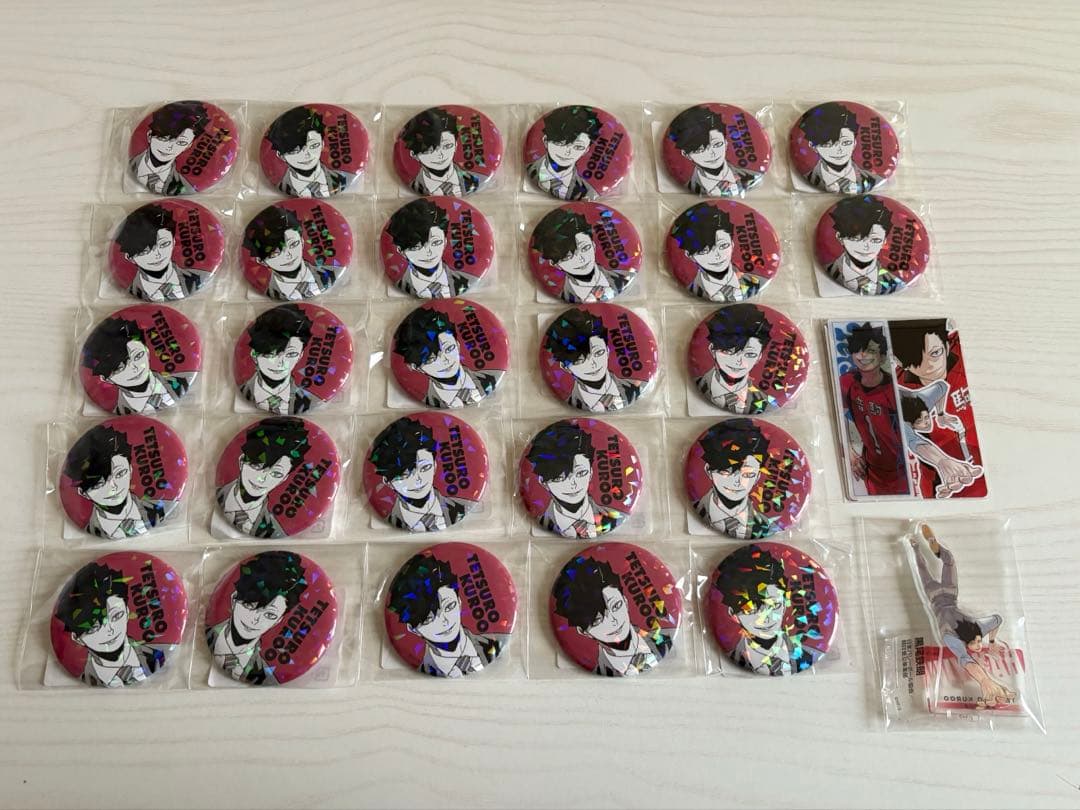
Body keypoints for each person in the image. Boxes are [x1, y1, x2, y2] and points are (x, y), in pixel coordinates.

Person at [909, 524, 1017, 708]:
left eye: (977, 642)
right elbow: (997, 620)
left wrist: (991, 646)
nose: (978, 645)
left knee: (937, 564)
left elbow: (968, 659)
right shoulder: (969, 631)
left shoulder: (954, 637)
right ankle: (922, 546)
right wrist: (985, 679)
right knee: (935, 565)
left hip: (936, 596)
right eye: (977, 642)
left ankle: (921, 546)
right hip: (948, 594)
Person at [891, 319, 984, 498]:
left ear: (946, 346)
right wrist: (941, 461)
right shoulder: (899, 410)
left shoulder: (924, 397)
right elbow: (914, 441)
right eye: (918, 362)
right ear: (903, 363)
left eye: (936, 353)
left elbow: (941, 387)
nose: (931, 367)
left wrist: (941, 415)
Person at [387, 553, 507, 677]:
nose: (445, 621)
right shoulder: (418, 674)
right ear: (413, 629)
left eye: (449, 606)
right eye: (428, 619)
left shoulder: (497, 643)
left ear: (459, 602)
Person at [551, 555, 673, 677]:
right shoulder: (601, 671)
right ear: (584, 632)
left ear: (625, 601)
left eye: (616, 606)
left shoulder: (666, 639)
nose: (613, 620)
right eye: (597, 620)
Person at [54, 561, 169, 687]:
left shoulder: (161, 654)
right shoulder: (76, 682)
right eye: (93, 628)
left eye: (116, 616)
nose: (110, 630)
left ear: (127, 611)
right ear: (76, 637)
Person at [205, 551, 308, 685]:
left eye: (269, 615)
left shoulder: (265, 675)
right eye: (250, 605)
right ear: (234, 599)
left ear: (278, 621)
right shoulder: (208, 635)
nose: (255, 619)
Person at [713, 544, 814, 675]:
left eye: (774, 605)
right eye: (751, 610)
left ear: (784, 604)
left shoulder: (808, 656)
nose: (765, 619)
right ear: (733, 614)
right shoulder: (731, 659)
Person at [369, 417, 475, 531]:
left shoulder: (466, 508)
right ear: (387, 482)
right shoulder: (386, 524)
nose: (417, 480)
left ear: (435, 465)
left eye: (425, 468)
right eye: (404, 475)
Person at [839, 323, 908, 495]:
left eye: (870, 350)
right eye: (857, 350)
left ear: (883, 357)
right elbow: (835, 416)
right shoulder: (847, 383)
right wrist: (850, 452)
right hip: (871, 469)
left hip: (902, 471)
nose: (863, 355)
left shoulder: (895, 390)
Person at [63, 425, 167, 539]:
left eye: (120, 473)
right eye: (99, 484)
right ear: (83, 493)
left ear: (130, 469)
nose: (113, 487)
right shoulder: (85, 532)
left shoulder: (162, 509)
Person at [524, 421, 624, 538]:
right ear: (543, 482)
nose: (573, 484)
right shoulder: (540, 522)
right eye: (559, 478)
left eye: (581, 473)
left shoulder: (615, 517)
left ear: (591, 472)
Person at [215, 418, 310, 539]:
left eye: (276, 474)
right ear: (241, 461)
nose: (262, 479)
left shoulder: (274, 531)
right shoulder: (214, 495)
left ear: (284, 479)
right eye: (257, 466)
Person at [393, 306, 500, 408]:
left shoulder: (493, 378)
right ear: (415, 367)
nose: (445, 360)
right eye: (431, 359)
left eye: (449, 348)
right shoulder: (423, 402)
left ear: (457, 345)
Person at [82, 316, 190, 414]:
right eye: (120, 367)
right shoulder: (120, 412)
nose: (134, 367)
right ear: (105, 378)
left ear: (147, 351)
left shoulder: (183, 381)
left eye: (138, 356)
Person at [543, 308, 644, 411]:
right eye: (579, 360)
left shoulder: (638, 387)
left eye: (598, 352)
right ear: (565, 367)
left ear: (607, 350)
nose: (593, 364)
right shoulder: (564, 404)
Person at [693, 419, 773, 539]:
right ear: (708, 470)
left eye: (748, 474)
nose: (737, 482)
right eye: (726, 472)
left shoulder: (767, 525)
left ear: (757, 476)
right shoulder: (695, 509)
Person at [115, 204, 213, 301]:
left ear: (173, 242)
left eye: (164, 244)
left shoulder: (200, 277)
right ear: (129, 257)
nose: (157, 254)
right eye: (145, 251)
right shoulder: (129, 292)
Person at [531, 208, 629, 302]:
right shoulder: (562, 295)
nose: (581, 259)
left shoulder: (625, 277)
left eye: (585, 248)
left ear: (593, 245)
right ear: (555, 264)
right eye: (568, 257)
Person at [670, 203, 762, 301]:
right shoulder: (688, 293)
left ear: (732, 244)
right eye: (704, 251)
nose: (717, 255)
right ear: (689, 255)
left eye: (723, 245)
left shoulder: (758, 282)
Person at [243, 206, 338, 300]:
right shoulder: (266, 291)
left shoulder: (332, 273)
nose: (288, 255)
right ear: (260, 260)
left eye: (293, 244)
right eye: (275, 253)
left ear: (302, 241)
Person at [239, 304, 318, 415]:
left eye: (291, 354)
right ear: (254, 354)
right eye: (271, 354)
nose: (281, 363)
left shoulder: (309, 401)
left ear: (300, 355)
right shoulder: (240, 391)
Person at [667, 105, 762, 196]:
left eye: (717, 144)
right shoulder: (687, 187)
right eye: (700, 150)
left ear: (725, 143)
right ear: (686, 154)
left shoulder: (753, 177)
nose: (712, 153)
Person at [386, 199, 472, 298]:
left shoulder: (467, 280)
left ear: (445, 242)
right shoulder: (399, 285)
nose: (428, 252)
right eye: (416, 247)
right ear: (401, 251)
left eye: (436, 242)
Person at [694, 305, 772, 414]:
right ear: (712, 349)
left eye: (750, 354)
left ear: (759, 357)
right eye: (728, 351)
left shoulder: (766, 403)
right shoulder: (697, 384)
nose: (738, 361)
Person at [266, 106, 354, 197]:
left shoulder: (344, 179)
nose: (307, 154)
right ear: (280, 155)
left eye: (314, 145)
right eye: (295, 151)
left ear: (322, 144)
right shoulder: (275, 188)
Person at [798, 102, 882, 193]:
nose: (839, 150)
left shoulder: (874, 180)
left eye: (846, 142)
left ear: (854, 143)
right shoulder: (802, 181)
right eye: (828, 145)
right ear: (813, 146)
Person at [128, 101, 209, 195]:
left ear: (188, 146)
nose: (169, 147)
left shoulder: (184, 186)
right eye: (164, 138)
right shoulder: (129, 165)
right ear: (149, 136)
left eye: (181, 142)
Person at [825, 196, 901, 295]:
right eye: (856, 239)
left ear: (884, 241)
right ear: (839, 237)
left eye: (875, 240)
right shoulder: (828, 269)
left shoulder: (894, 283)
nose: (866, 246)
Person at [399, 107, 480, 196]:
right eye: (429, 150)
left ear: (456, 145)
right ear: (414, 154)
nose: (441, 155)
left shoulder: (476, 180)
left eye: (447, 146)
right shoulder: (411, 187)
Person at [527, 106, 602, 200]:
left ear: (586, 150)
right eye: (561, 143)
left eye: (578, 147)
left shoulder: (587, 193)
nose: (567, 152)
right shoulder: (526, 171)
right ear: (546, 141)